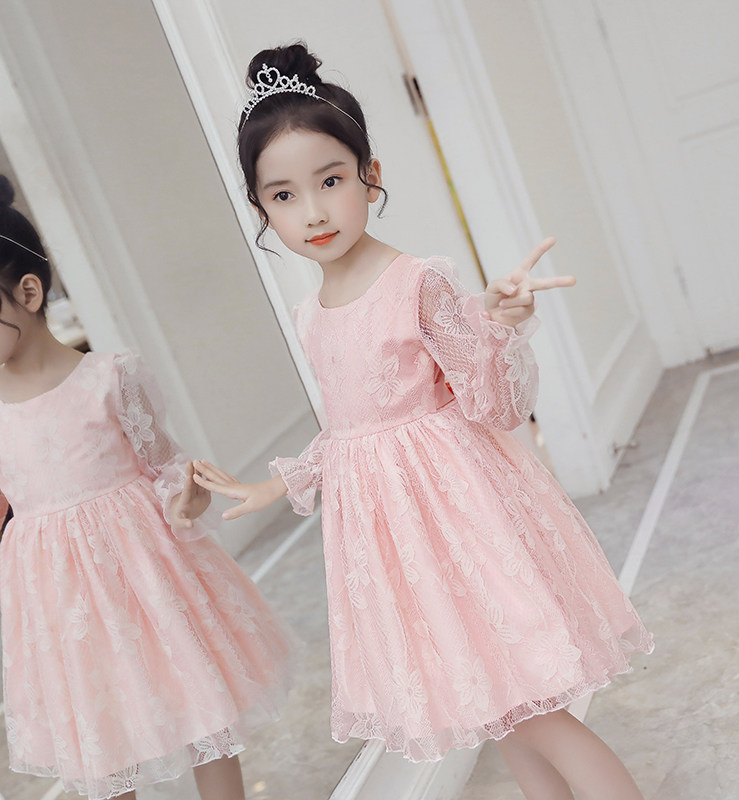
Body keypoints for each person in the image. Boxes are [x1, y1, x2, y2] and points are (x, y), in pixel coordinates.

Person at [195, 43, 653, 800]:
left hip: (459, 518)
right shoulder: (311, 314)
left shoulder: (417, 282)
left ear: (370, 176)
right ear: (261, 209)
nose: (313, 211)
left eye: (331, 181)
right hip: (394, 541)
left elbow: (494, 405)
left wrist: (499, 325)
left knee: (533, 710)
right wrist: (276, 486)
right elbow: (352, 432)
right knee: (496, 709)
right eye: (283, 195)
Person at [0, 175, 291, 800]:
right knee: (101, 725)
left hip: (145, 570)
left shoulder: (108, 377)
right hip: (56, 592)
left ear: (27, 292)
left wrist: (186, 499)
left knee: (202, 702)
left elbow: (164, 467)